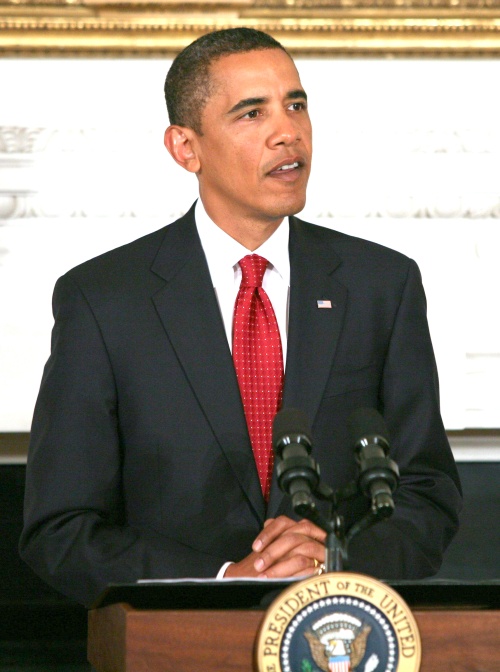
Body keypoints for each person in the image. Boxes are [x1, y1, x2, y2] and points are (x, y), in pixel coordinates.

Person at [20, 28, 462, 608]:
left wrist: (333, 563)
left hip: (337, 634)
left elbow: (427, 494)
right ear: (186, 148)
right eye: (252, 113)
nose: (287, 132)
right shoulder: (103, 300)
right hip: (179, 641)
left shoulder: (381, 285)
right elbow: (61, 529)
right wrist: (226, 578)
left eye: (296, 105)